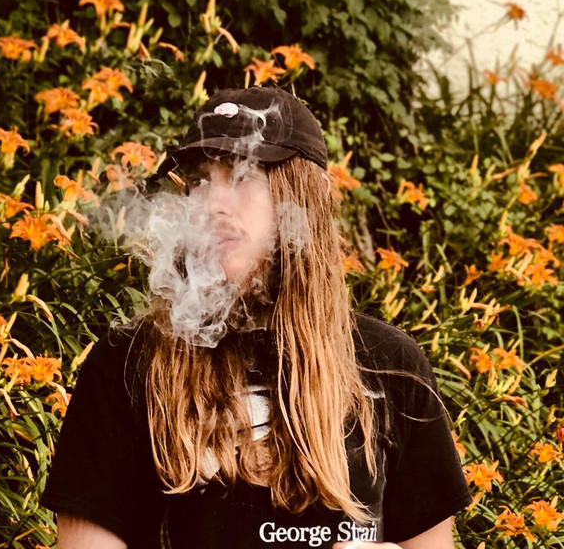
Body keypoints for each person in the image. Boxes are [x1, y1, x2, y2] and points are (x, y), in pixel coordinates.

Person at [40, 86, 472, 548]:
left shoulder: (390, 365)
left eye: (241, 175)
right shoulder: (127, 366)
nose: (212, 204)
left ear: (303, 199)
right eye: (200, 181)